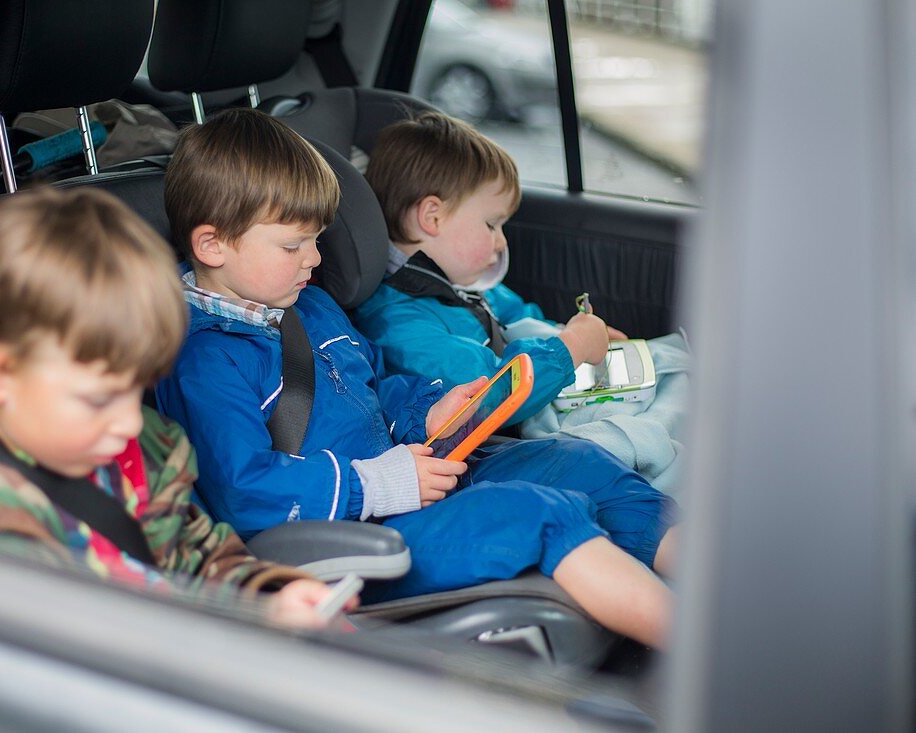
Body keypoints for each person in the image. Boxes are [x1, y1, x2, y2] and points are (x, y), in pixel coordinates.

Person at [156, 108, 678, 648]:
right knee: (533, 512)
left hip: (409, 480)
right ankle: (706, 657)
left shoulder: (307, 305)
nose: (314, 259)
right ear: (212, 245)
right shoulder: (203, 360)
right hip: (345, 540)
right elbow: (243, 491)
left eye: (317, 240)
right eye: (293, 246)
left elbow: (373, 386)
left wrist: (427, 409)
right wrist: (376, 483)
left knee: (578, 463)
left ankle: (725, 592)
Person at [0, 186, 348, 629]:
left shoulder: (145, 450)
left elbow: (196, 558)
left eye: (136, 389)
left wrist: (268, 597)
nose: (129, 420)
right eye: (98, 399)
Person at [355, 111, 691, 493]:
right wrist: (572, 348)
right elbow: (493, 391)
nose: (501, 243)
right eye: (491, 225)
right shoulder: (399, 324)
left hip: (553, 392)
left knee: (676, 375)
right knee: (649, 434)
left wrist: (568, 333)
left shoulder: (460, 284)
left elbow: (518, 315)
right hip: (515, 429)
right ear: (432, 216)